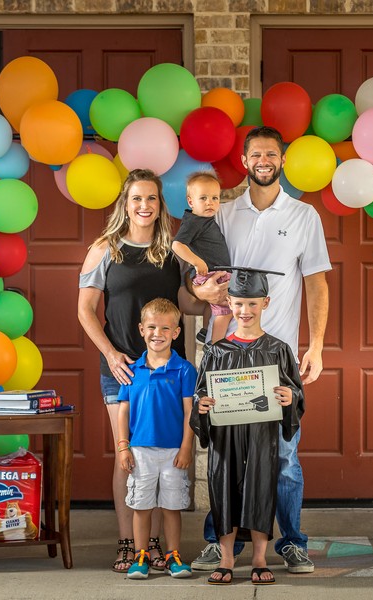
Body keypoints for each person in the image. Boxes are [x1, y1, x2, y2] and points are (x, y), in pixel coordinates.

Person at [190, 126, 330, 574]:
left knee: (285, 456)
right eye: (256, 154)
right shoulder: (224, 213)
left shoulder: (305, 215)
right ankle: (218, 541)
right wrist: (208, 297)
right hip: (228, 354)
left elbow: (317, 283)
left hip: (280, 356)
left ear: (282, 160)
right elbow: (201, 282)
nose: (264, 160)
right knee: (225, 455)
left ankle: (291, 541)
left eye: (272, 153)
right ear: (245, 161)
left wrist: (318, 345)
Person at [78, 168, 201, 573]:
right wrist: (112, 354)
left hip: (168, 372)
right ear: (125, 204)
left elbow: (186, 301)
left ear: (159, 204)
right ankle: (129, 542)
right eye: (136, 199)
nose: (144, 206)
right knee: (127, 456)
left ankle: (160, 546)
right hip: (124, 370)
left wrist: (211, 294)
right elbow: (85, 310)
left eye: (151, 198)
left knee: (164, 452)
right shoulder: (106, 248)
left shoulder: (172, 249)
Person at [190, 267, 304, 585]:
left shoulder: (278, 350)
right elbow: (202, 391)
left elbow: (295, 392)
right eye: (239, 303)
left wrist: (288, 396)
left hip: (262, 434)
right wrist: (202, 405)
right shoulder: (216, 352)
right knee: (223, 486)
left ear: (265, 303)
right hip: (226, 434)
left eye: (252, 304)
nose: (245, 311)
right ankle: (227, 557)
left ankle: (258, 557)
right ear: (229, 302)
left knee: (260, 487)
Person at [117, 298, 196, 580]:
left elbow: (190, 412)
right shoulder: (132, 370)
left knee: (172, 506)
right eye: (151, 327)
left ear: (176, 332)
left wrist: (187, 446)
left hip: (174, 450)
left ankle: (174, 555)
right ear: (141, 329)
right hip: (140, 451)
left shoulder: (185, 369)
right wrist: (123, 447)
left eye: (165, 328)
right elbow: (123, 412)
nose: (157, 333)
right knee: (141, 506)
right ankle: (141, 556)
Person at [171, 171, 232, 344]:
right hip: (211, 272)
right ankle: (216, 345)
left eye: (215, 198)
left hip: (213, 272)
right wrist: (197, 262)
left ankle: (206, 331)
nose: (210, 203)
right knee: (225, 311)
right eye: (203, 198)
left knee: (212, 306)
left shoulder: (204, 220)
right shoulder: (194, 220)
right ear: (191, 201)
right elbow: (177, 245)